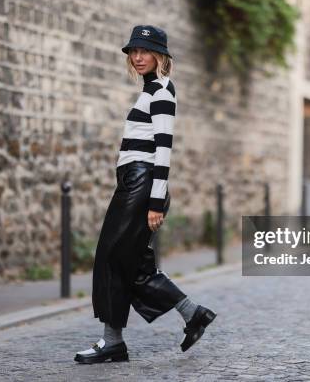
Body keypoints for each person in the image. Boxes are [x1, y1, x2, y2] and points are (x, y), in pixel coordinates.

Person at [74, 25, 216, 364]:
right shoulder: (151, 91)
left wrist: (154, 202)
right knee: (131, 262)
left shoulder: (162, 93)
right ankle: (190, 313)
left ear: (160, 56)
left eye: (145, 50)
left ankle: (112, 342)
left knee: (112, 258)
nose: (138, 57)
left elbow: (163, 150)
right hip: (134, 183)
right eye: (133, 51)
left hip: (142, 184)